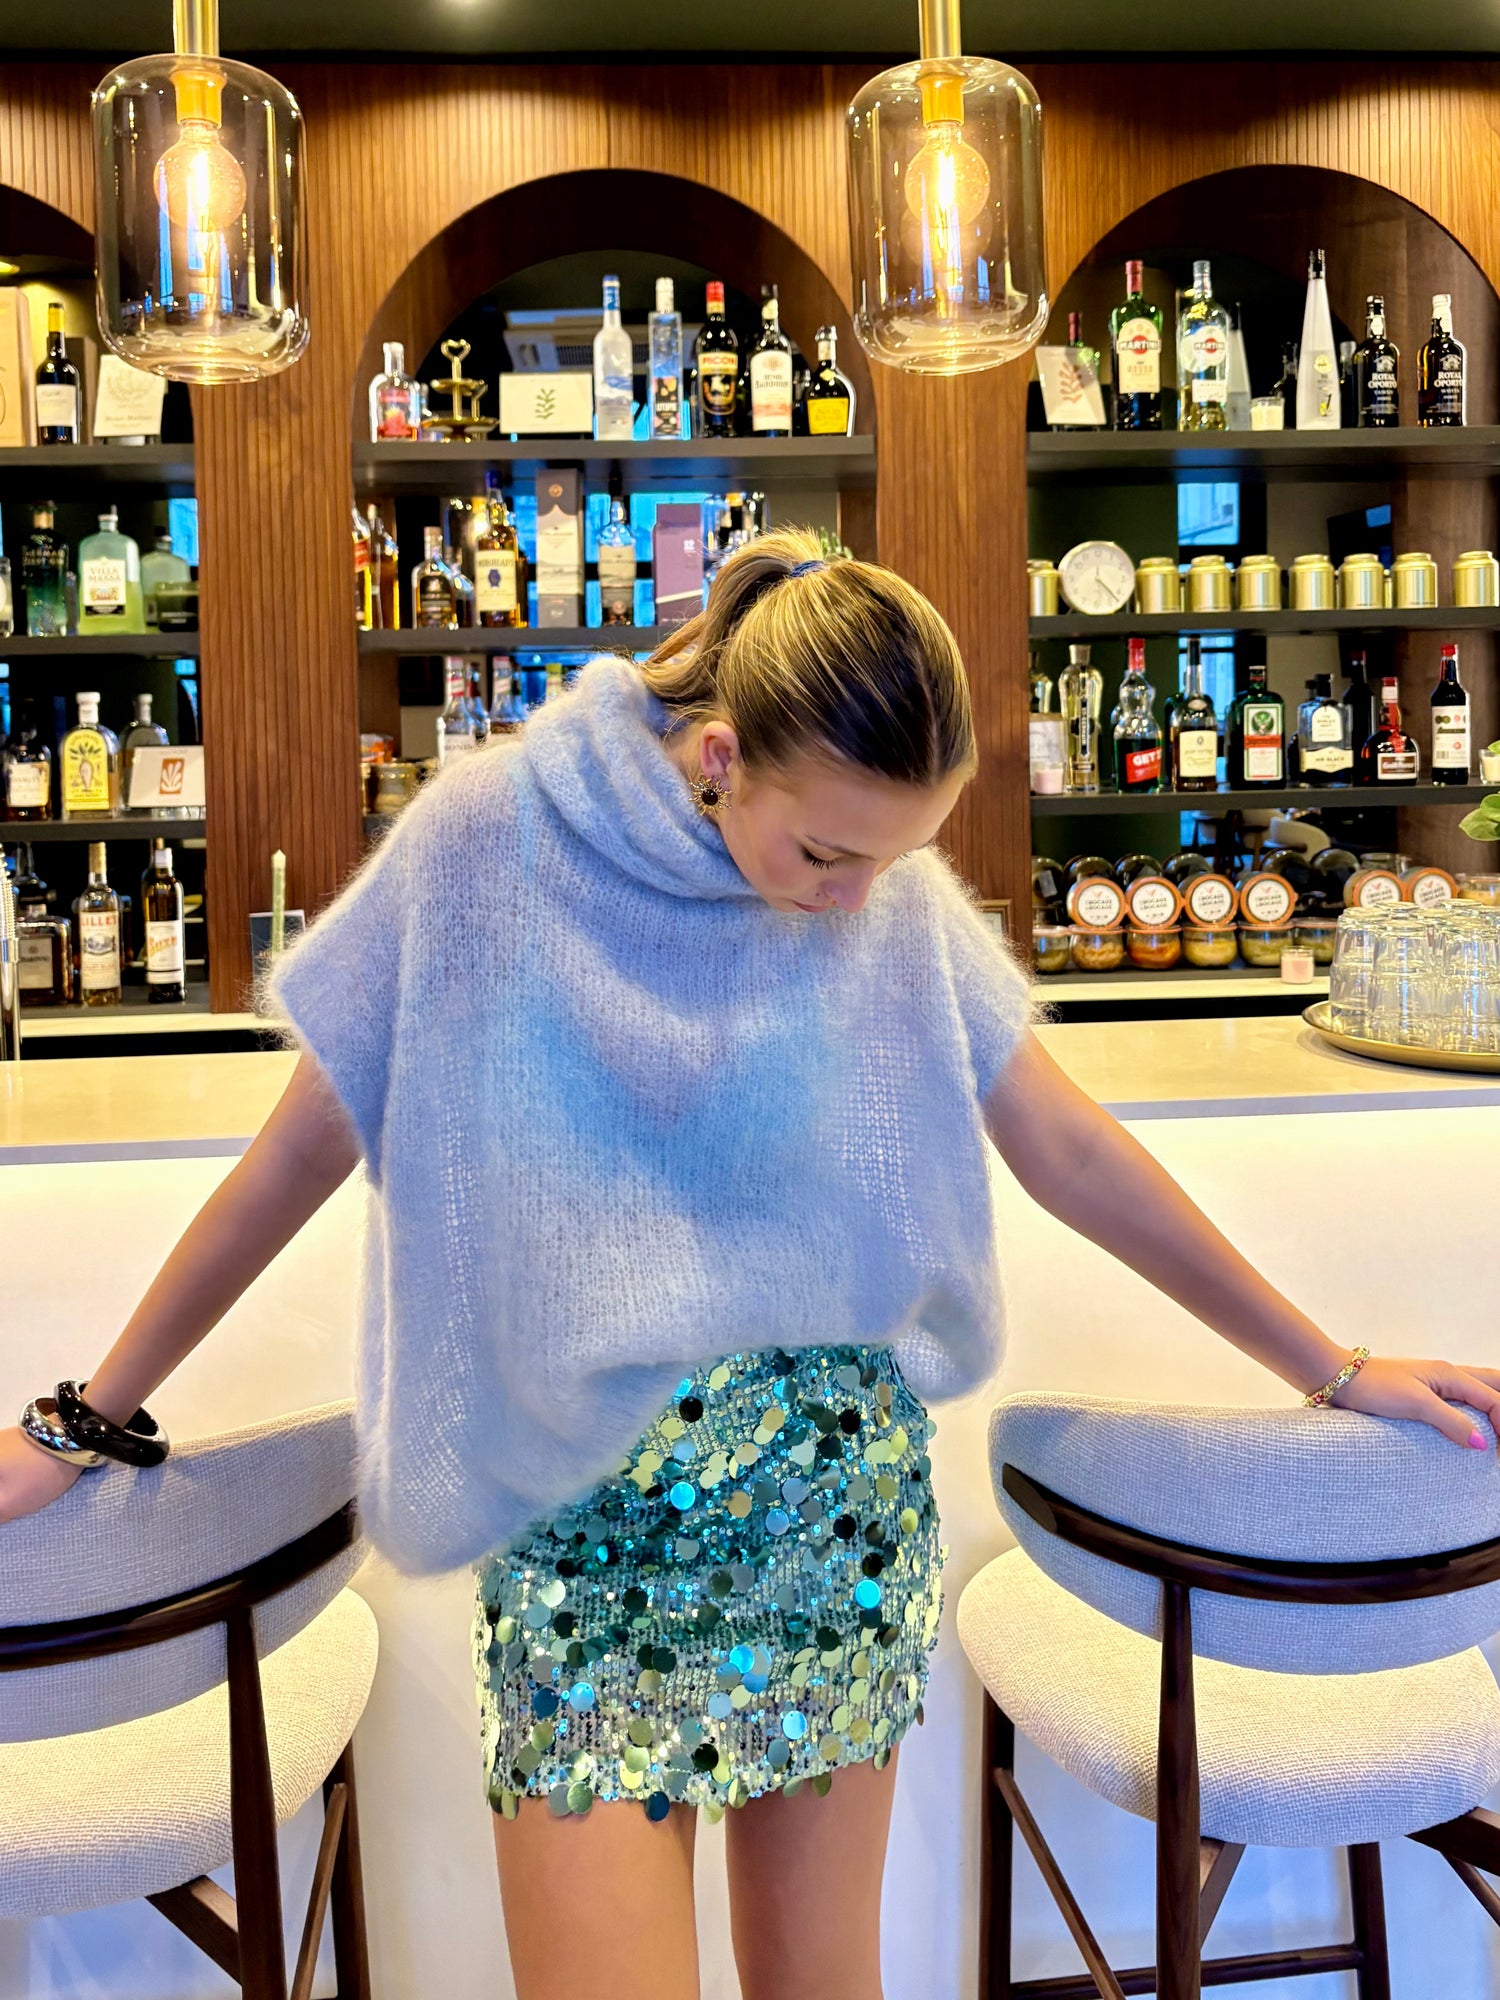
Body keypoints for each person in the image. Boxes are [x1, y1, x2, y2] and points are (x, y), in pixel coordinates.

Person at [3, 528, 1496, 2000]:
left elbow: (1070, 1149)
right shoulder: (487, 844)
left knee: (821, 1982)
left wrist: (1335, 1367)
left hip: (828, 1508)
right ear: (720, 756)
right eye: (828, 852)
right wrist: (84, 1418)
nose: (855, 898)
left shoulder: (879, 889)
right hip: (582, 1526)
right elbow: (297, 1152)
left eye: (893, 858)